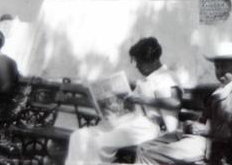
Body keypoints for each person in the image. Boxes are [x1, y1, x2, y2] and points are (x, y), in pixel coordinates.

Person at [65, 37, 181, 165]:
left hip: (147, 128)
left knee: (99, 142)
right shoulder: (147, 78)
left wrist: (144, 100)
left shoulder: (167, 77)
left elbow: (175, 103)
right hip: (131, 120)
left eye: (139, 62)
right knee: (79, 136)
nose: (137, 67)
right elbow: (133, 101)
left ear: (153, 61)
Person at [136, 42, 232, 165]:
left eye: (224, 67)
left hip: (209, 144)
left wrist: (206, 130)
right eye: (217, 67)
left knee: (148, 154)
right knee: (143, 147)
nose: (219, 71)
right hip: (195, 136)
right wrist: (193, 124)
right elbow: (208, 119)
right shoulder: (222, 88)